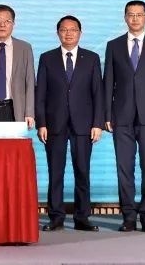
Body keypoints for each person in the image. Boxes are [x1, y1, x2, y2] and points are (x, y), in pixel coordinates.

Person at [103, 0, 145, 233]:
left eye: (139, 15)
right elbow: (108, 82)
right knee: (124, 168)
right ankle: (128, 216)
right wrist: (107, 114)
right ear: (125, 18)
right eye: (130, 15)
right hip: (121, 116)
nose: (135, 19)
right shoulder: (113, 46)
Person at [35, 15, 103, 232]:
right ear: (58, 33)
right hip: (54, 124)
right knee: (55, 172)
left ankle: (82, 217)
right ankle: (56, 217)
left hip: (84, 124)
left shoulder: (91, 58)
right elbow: (40, 93)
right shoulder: (47, 58)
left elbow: (98, 93)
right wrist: (41, 123)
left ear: (80, 33)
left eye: (73, 29)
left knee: (82, 171)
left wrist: (97, 123)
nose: (68, 33)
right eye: (64, 30)